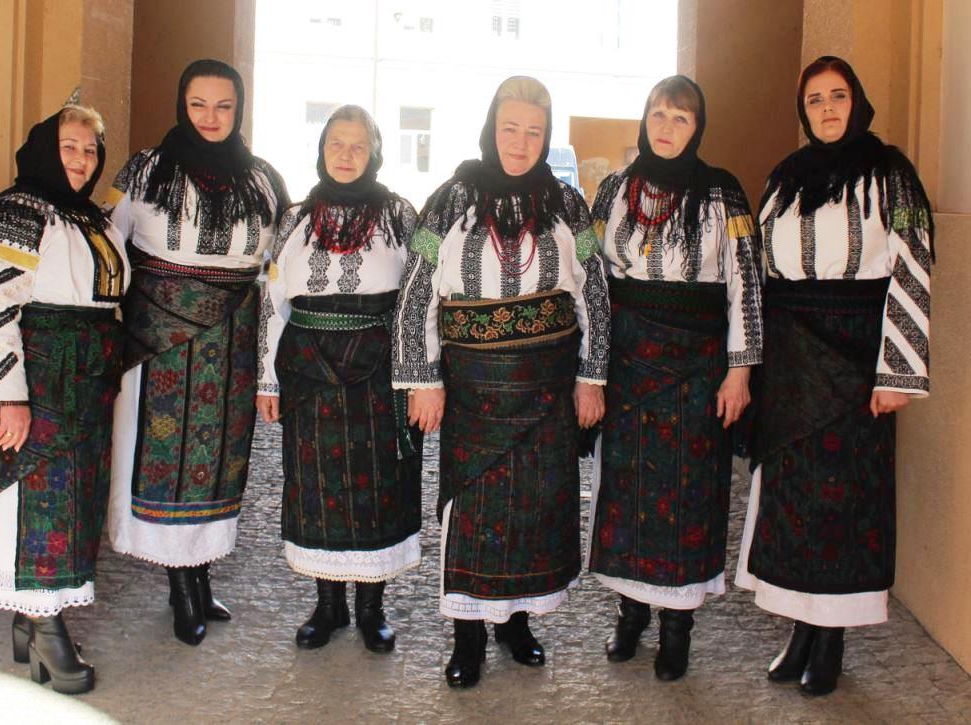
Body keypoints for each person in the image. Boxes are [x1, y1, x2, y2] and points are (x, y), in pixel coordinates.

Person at [392, 76, 610, 688]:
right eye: (510, 128)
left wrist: (592, 376)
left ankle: (517, 623)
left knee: (536, 510)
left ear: (547, 137)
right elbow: (417, 290)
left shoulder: (568, 204)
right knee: (472, 510)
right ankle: (467, 637)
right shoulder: (449, 199)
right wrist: (423, 380)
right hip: (473, 389)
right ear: (491, 129)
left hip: (548, 388)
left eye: (533, 132)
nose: (520, 142)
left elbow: (594, 289)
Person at [735, 56, 934, 696]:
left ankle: (831, 641)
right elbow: (759, 271)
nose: (826, 108)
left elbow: (914, 265)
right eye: (815, 99)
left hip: (854, 360)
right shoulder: (784, 178)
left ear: (857, 101)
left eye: (837, 95)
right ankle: (800, 629)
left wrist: (898, 370)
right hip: (790, 361)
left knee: (843, 503)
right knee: (791, 501)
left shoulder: (893, 176)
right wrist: (753, 362)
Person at [106, 59, 287, 645]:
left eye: (223, 106)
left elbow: (277, 266)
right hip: (160, 343)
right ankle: (181, 585)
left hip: (232, 342)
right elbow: (109, 246)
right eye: (198, 104)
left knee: (218, 460)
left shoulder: (263, 179)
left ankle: (201, 575)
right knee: (166, 458)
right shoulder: (145, 170)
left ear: (239, 110)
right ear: (182, 106)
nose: (211, 117)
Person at [587, 75, 762, 681]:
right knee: (627, 493)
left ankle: (677, 628)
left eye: (680, 118)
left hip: (697, 369)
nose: (666, 127)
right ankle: (630, 613)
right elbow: (592, 280)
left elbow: (746, 285)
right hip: (628, 366)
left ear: (697, 127)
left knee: (689, 497)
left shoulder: (723, 194)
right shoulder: (614, 190)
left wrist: (740, 371)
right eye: (658, 114)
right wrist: (592, 369)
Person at [0, 100, 128, 694]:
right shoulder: (17, 211)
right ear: (43, 149)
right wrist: (6, 397)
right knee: (33, 496)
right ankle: (46, 629)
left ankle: (28, 624)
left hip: (86, 382)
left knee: (74, 499)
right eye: (69, 147)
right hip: (36, 378)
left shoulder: (91, 217)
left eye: (90, 149)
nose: (81, 159)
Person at [256, 105, 421, 653]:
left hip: (379, 370)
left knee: (378, 486)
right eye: (336, 144)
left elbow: (419, 298)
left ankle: (372, 608)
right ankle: (328, 606)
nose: (346, 155)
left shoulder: (400, 215)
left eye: (358, 146)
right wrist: (266, 380)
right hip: (308, 370)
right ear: (321, 149)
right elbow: (272, 302)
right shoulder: (295, 218)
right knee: (318, 487)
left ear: (374, 153)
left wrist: (420, 376)